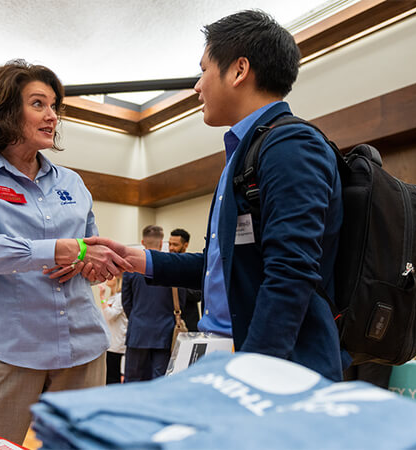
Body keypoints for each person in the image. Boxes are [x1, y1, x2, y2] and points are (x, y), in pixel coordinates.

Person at [70, 11, 346, 380]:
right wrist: (140, 259)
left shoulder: (290, 144)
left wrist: (253, 373)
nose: (197, 86)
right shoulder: (245, 152)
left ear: (238, 70)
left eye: (203, 70)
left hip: (273, 366)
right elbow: (222, 269)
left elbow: (291, 271)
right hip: (226, 353)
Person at [0, 59, 131, 443]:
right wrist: (59, 250)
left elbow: (89, 249)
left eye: (54, 107)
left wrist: (89, 263)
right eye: (38, 104)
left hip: (83, 346)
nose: (52, 116)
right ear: (7, 111)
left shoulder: (73, 183)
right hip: (7, 350)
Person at [122, 225, 184, 381]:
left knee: (133, 381)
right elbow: (180, 302)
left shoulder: (131, 268)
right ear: (162, 242)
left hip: (138, 331)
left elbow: (126, 302)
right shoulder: (172, 265)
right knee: (160, 380)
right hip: (164, 332)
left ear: (143, 242)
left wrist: (137, 318)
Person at [169, 228, 201, 331]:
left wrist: (175, 288)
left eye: (175, 245)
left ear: (185, 245)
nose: (171, 248)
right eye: (170, 244)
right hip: (167, 324)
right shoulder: (167, 265)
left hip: (188, 323)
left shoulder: (193, 265)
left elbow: (198, 294)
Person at [99, 275, 126, 384]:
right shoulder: (112, 297)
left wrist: (101, 297)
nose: (108, 277)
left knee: (113, 377)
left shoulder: (121, 297)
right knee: (108, 375)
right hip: (110, 343)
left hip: (117, 344)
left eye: (113, 275)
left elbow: (110, 315)